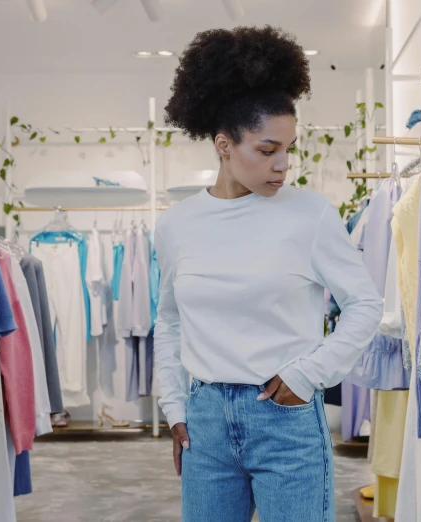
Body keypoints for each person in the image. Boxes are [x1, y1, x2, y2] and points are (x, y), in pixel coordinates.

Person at [154, 25, 382, 522]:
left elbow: (366, 305)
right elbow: (169, 322)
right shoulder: (176, 226)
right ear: (223, 145)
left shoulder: (311, 215)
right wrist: (173, 410)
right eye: (266, 150)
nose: (283, 165)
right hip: (206, 422)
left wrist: (308, 374)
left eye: (289, 149)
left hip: (286, 420)